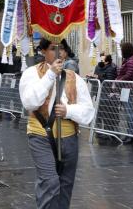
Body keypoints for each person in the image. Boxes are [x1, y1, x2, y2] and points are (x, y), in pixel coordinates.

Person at [19, 38, 95, 209]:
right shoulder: (31, 73)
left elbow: (88, 112)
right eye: (53, 48)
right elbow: (30, 102)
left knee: (65, 185)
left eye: (61, 49)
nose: (58, 52)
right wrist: (50, 74)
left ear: (66, 53)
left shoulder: (74, 78)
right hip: (40, 135)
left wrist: (69, 111)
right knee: (50, 182)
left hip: (68, 137)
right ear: (44, 51)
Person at [116, 43, 133, 144]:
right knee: (127, 111)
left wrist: (119, 80)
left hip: (127, 88)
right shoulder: (129, 60)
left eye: (122, 49)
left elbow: (129, 74)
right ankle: (129, 133)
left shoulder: (131, 61)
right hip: (125, 87)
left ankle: (132, 134)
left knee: (129, 111)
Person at [89, 54, 119, 142]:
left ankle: (109, 132)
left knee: (108, 114)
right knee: (98, 114)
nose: (101, 61)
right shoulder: (97, 67)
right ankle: (99, 131)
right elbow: (95, 80)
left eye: (103, 60)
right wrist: (91, 78)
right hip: (98, 94)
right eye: (100, 59)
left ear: (107, 61)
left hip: (107, 95)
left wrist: (98, 77)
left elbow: (108, 81)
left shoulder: (111, 68)